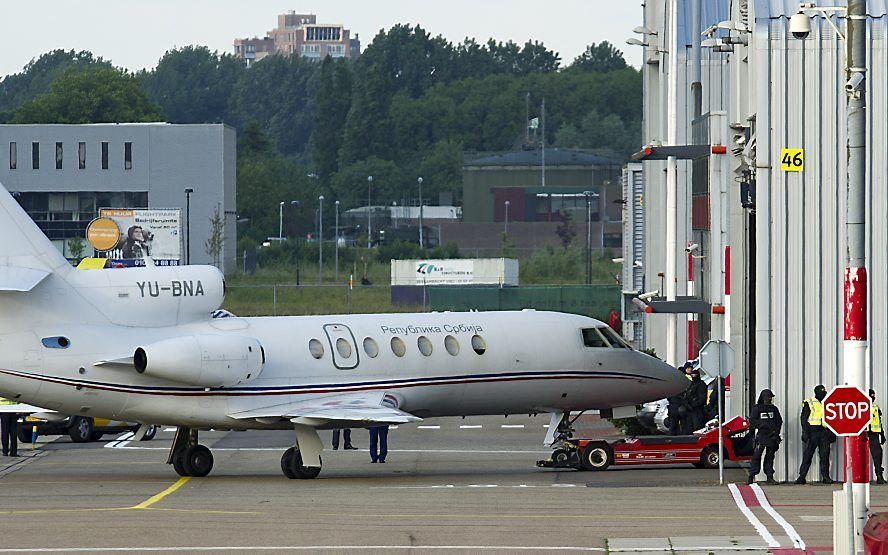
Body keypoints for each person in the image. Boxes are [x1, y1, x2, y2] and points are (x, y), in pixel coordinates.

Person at [796, 384, 835, 484]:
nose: (823, 394)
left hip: (824, 433)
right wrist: (805, 432)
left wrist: (832, 432)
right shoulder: (810, 402)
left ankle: (826, 477)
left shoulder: (828, 403)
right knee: (808, 455)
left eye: (824, 392)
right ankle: (802, 477)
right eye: (821, 392)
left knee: (825, 456)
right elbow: (804, 418)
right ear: (816, 392)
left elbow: (832, 419)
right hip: (812, 432)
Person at [747, 389, 783, 485]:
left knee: (770, 457)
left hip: (772, 436)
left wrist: (776, 432)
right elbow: (752, 421)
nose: (769, 399)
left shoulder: (774, 409)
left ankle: (769, 476)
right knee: (756, 456)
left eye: (770, 397)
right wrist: (763, 425)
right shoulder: (757, 408)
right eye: (768, 397)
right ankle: (751, 476)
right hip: (761, 435)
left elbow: (779, 421)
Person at [683, 367, 708, 433]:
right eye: (692, 375)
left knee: (697, 428)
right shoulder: (691, 384)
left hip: (698, 410)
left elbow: (702, 398)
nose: (693, 376)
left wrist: (693, 405)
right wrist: (687, 404)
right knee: (689, 429)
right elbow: (687, 395)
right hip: (690, 410)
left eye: (695, 375)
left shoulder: (701, 384)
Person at [869, 389, 886, 485]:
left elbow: (879, 421)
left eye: (874, 395)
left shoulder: (876, 407)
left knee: (878, 455)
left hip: (874, 434)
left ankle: (879, 476)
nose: (873, 397)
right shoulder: (862, 406)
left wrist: (882, 434)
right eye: (871, 395)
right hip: (864, 434)